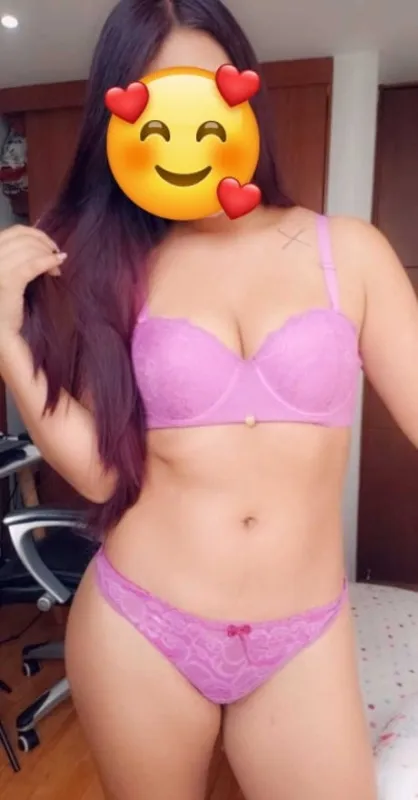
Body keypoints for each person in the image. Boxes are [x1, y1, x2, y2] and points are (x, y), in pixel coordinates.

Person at [1, 1, 416, 798]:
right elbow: (98, 473)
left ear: (245, 94)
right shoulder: (117, 272)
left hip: (302, 635)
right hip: (141, 626)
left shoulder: (348, 251)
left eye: (206, 95)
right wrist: (6, 341)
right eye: (156, 106)